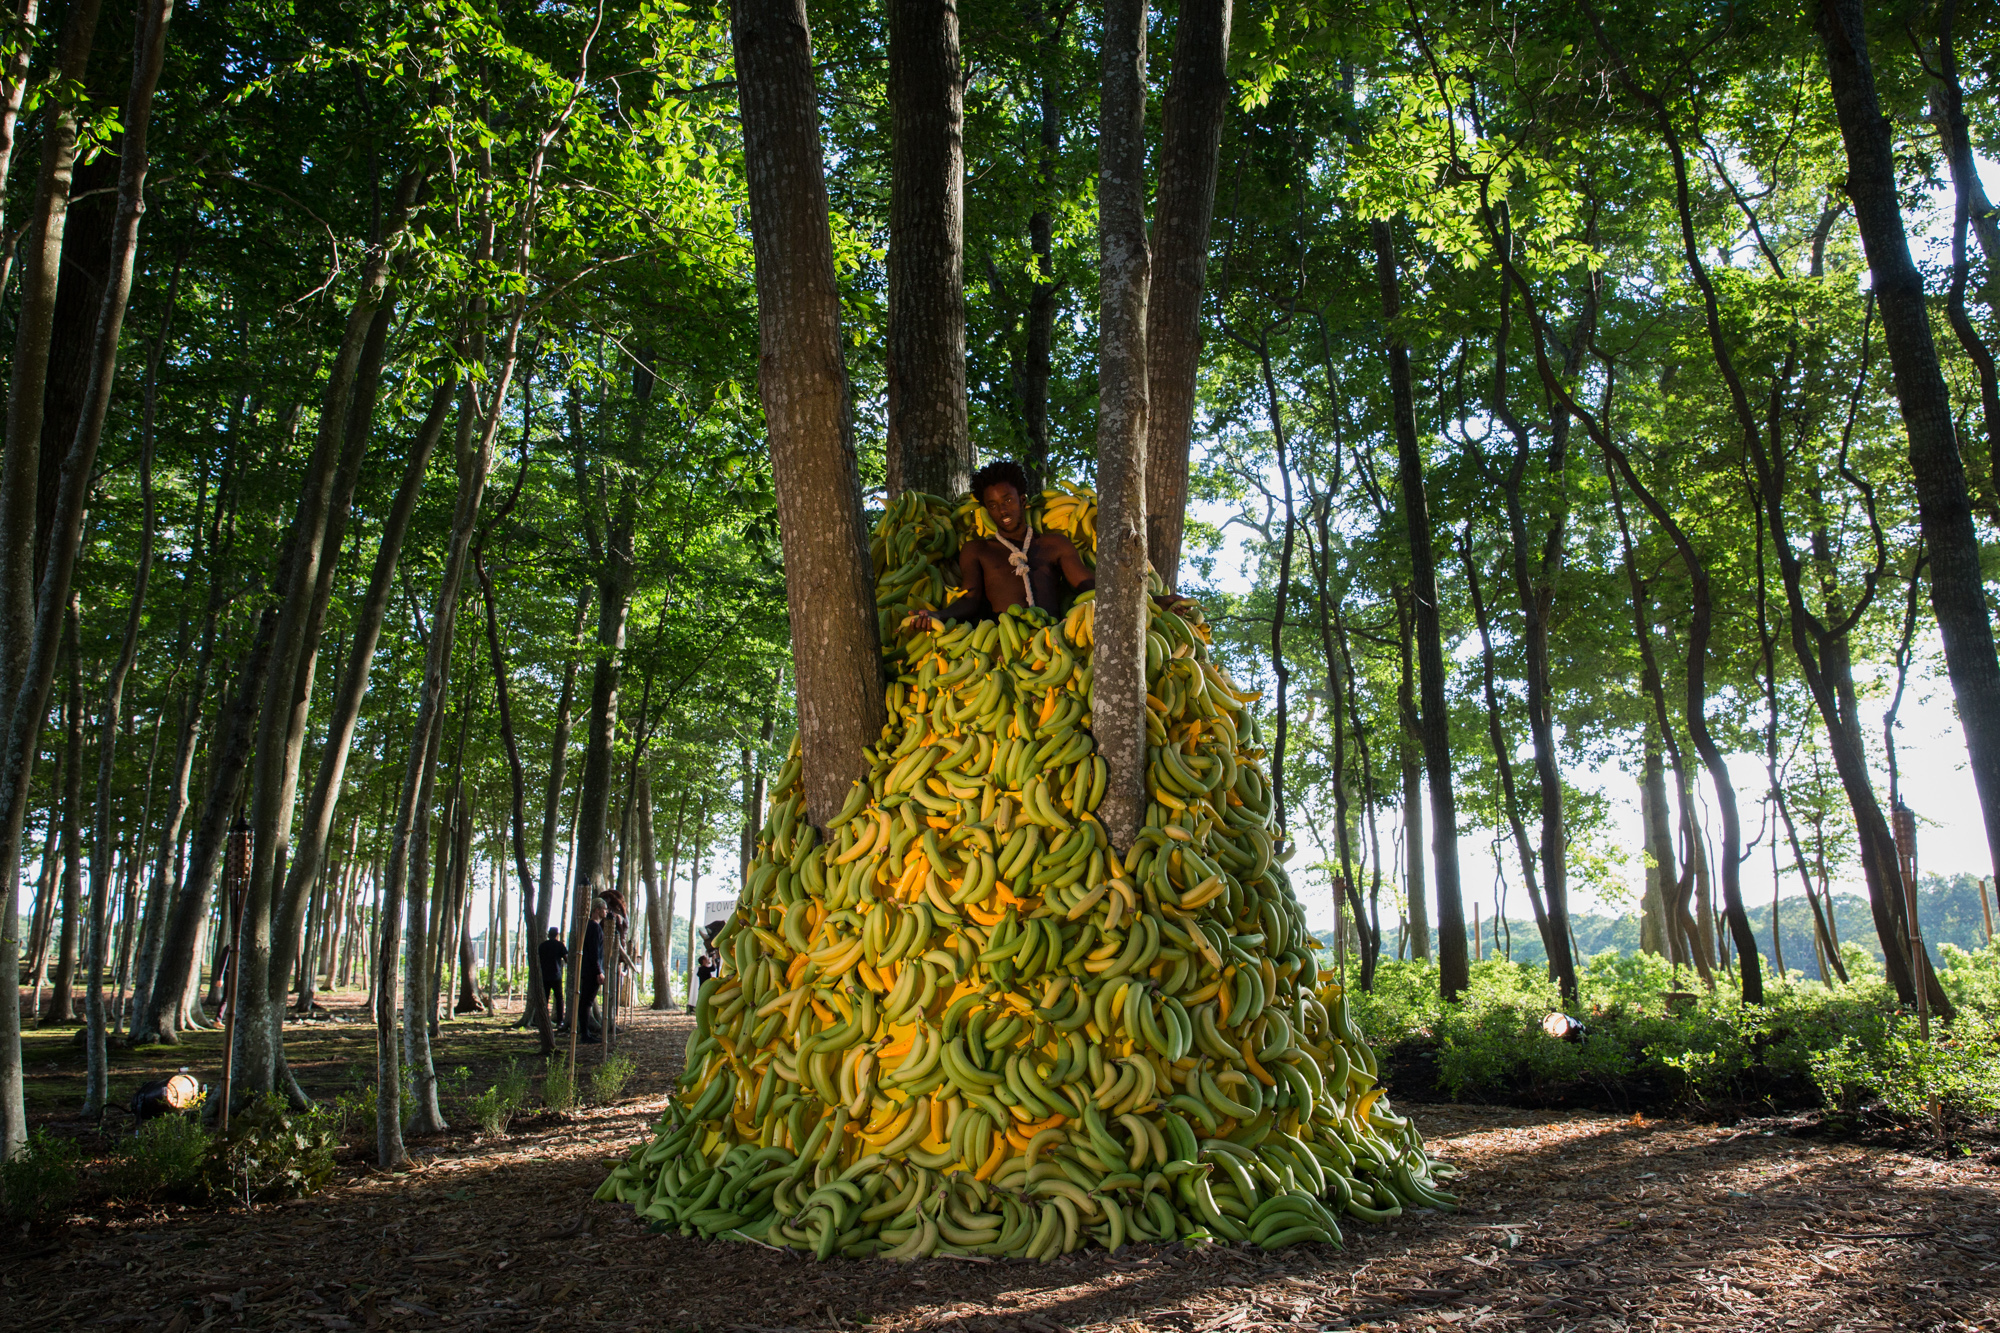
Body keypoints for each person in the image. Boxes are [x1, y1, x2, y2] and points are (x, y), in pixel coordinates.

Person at [909, 461, 1094, 629]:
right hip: (1003, 645)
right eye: (993, 505)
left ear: (1022, 500)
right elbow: (969, 600)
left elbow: (1086, 584)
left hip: (1051, 640)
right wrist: (939, 615)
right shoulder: (977, 550)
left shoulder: (1054, 544)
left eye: (1007, 500)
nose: (1002, 510)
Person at [578, 903, 607, 1043]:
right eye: (604, 909)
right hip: (591, 971)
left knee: (586, 1002)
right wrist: (598, 971)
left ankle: (585, 1032)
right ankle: (585, 1034)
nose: (606, 912)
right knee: (586, 1002)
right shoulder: (594, 927)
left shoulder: (591, 926)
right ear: (597, 910)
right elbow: (594, 952)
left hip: (589, 969)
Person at [537, 927, 567, 1032]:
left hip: (545, 976)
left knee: (545, 998)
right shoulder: (559, 945)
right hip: (556, 975)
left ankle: (543, 1020)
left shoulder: (542, 946)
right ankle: (560, 1021)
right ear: (557, 935)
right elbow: (566, 958)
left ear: (549, 935)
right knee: (559, 999)